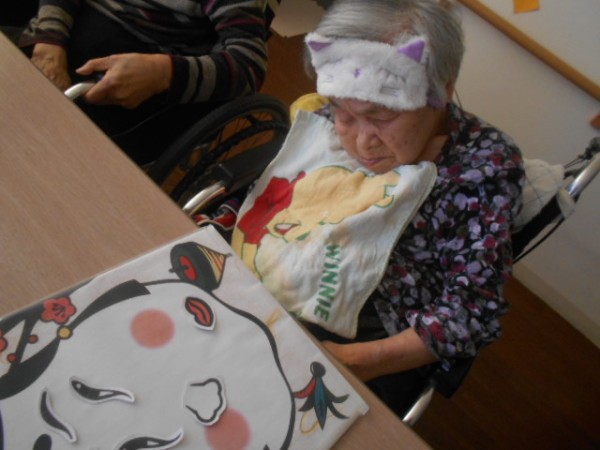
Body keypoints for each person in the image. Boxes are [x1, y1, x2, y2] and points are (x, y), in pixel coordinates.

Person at [225, 0, 526, 417]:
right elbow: (276, 192)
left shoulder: (483, 167)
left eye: (381, 116)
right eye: (343, 112)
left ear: (443, 91)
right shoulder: (332, 111)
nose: (360, 141)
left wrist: (354, 362)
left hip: (370, 323)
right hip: (276, 266)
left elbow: (472, 309)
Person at [18, 0, 270, 165]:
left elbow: (249, 65)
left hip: (129, 82)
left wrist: (163, 73)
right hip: (63, 37)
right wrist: (50, 38)